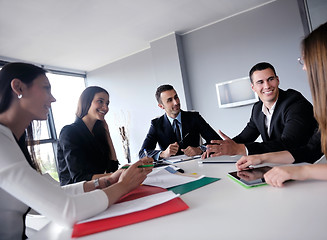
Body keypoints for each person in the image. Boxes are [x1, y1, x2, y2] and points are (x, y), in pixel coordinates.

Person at [0, 62, 153, 240]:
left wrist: (107, 181)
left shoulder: (12, 141)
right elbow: (67, 210)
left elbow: (54, 194)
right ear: (18, 87)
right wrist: (123, 186)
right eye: (46, 88)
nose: (53, 98)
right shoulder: (5, 142)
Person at [236, 18, 327, 187]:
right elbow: (310, 150)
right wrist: (261, 158)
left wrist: (303, 171)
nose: (304, 68)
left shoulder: (294, 102)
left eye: (306, 60)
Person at [203, 62, 317, 158]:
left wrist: (241, 149)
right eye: (260, 82)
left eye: (270, 79)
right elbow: (244, 138)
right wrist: (218, 148)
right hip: (278, 165)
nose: (267, 86)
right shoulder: (257, 109)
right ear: (253, 87)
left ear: (277, 80)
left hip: (306, 163)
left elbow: (289, 143)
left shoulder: (294, 102)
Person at [139, 84, 221, 160]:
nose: (176, 102)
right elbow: (142, 153)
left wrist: (200, 149)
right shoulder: (156, 124)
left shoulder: (194, 117)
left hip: (197, 165)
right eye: (170, 100)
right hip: (171, 171)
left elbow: (218, 142)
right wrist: (163, 153)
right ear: (161, 106)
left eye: (176, 97)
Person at [57, 86, 119, 186]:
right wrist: (115, 175)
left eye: (107, 103)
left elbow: (113, 166)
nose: (106, 108)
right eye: (100, 101)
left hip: (96, 189)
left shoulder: (98, 133)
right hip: (75, 193)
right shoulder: (69, 132)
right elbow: (79, 178)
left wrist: (107, 132)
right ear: (86, 102)